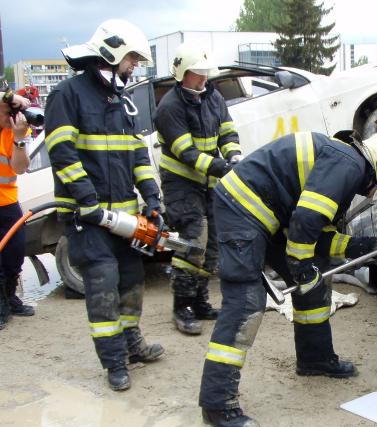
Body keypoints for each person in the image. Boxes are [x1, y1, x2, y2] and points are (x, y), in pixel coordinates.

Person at [198, 130, 377, 427]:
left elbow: (321, 237)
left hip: (270, 215)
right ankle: (217, 403)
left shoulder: (344, 164)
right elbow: (306, 221)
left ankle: (315, 359)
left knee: (314, 286)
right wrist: (300, 266)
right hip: (242, 208)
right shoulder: (348, 165)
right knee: (245, 302)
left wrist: (370, 246)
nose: (376, 192)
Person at [45, 19, 165, 391]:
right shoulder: (69, 94)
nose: (134, 66)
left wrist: (153, 200)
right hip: (89, 220)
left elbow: (139, 157)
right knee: (102, 289)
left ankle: (133, 345)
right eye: (131, 58)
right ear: (112, 51)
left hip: (125, 218)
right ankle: (114, 364)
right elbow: (63, 154)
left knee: (131, 283)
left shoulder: (121, 101)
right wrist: (88, 203)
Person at [154, 42, 242, 336]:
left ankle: (201, 302)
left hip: (210, 181)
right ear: (181, 74)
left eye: (205, 73)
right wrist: (220, 167)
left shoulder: (214, 97)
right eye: (197, 74)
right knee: (195, 239)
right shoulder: (169, 107)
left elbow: (227, 131)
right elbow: (186, 153)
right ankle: (182, 306)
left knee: (213, 244)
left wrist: (234, 155)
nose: (203, 79)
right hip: (182, 183)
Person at [0, 91, 36, 329]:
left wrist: (19, 137)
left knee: (14, 254)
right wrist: (7, 97)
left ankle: (10, 297)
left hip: (7, 202)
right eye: (7, 113)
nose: (11, 117)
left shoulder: (13, 131)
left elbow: (20, 168)